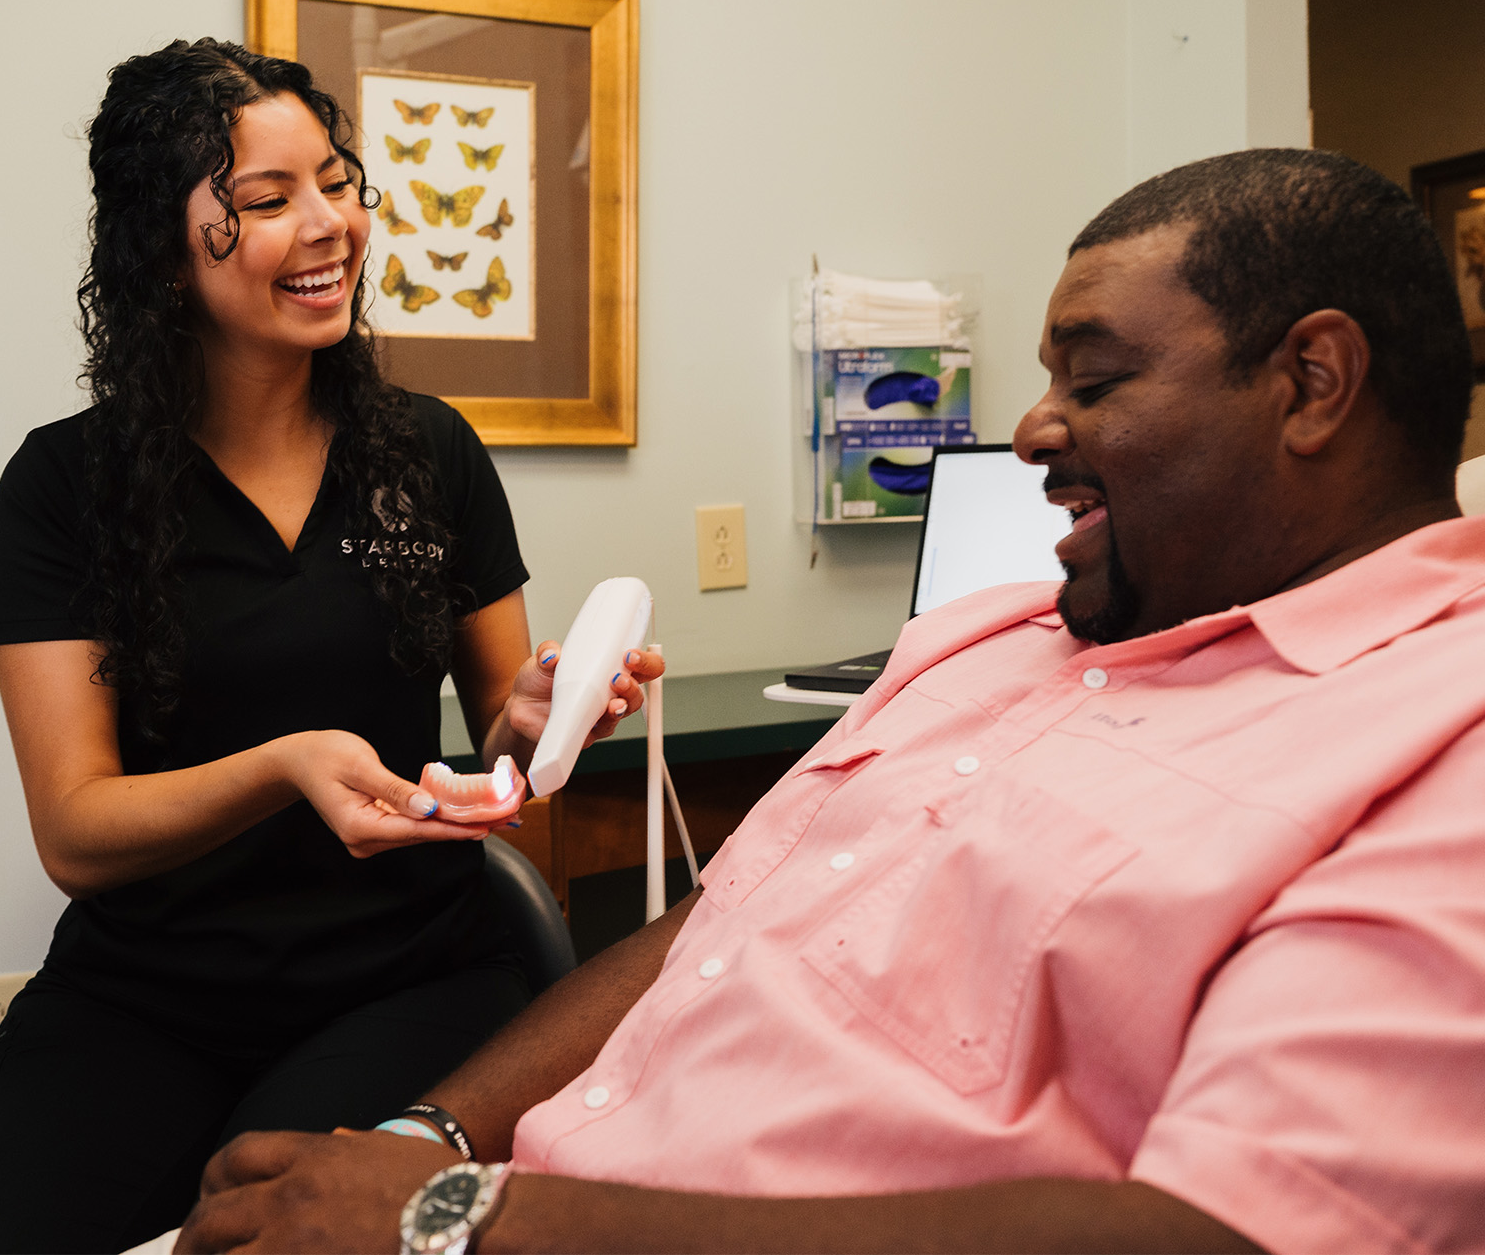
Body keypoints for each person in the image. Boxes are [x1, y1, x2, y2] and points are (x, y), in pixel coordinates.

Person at [178, 149, 1485, 1255]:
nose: (1031, 428)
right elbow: (726, 913)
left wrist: (460, 1214)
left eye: (1094, 378)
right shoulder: (991, 630)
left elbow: (1223, 1231)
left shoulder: (1440, 740)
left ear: (1312, 383)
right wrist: (432, 1136)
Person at [0, 39, 661, 1254]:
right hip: (144, 988)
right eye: (266, 202)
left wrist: (533, 719)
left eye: (334, 181)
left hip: (408, 978)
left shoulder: (428, 454)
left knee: (262, 1229)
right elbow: (74, 829)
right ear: (163, 254)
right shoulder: (66, 485)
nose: (329, 225)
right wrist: (284, 765)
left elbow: (498, 749)